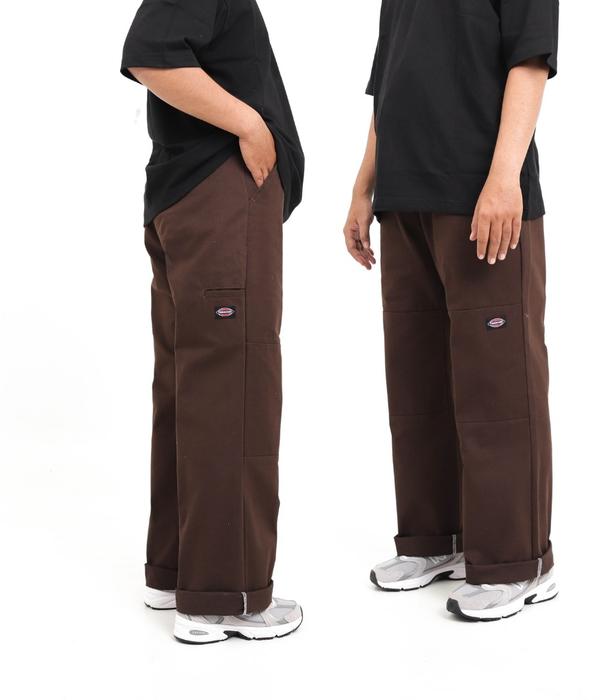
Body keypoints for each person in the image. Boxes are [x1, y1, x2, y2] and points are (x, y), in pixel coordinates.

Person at [344, 0, 560, 621]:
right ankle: (435, 540)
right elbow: (386, 85)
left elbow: (530, 62)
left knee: (499, 388)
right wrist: (364, 187)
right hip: (405, 198)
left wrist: (504, 178)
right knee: (418, 387)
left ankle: (517, 561)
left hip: (481, 195)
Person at [120, 0, 304, 643]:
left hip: (189, 197)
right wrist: (250, 124)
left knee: (191, 393)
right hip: (220, 196)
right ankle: (225, 597)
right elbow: (149, 54)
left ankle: (178, 573)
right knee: (235, 393)